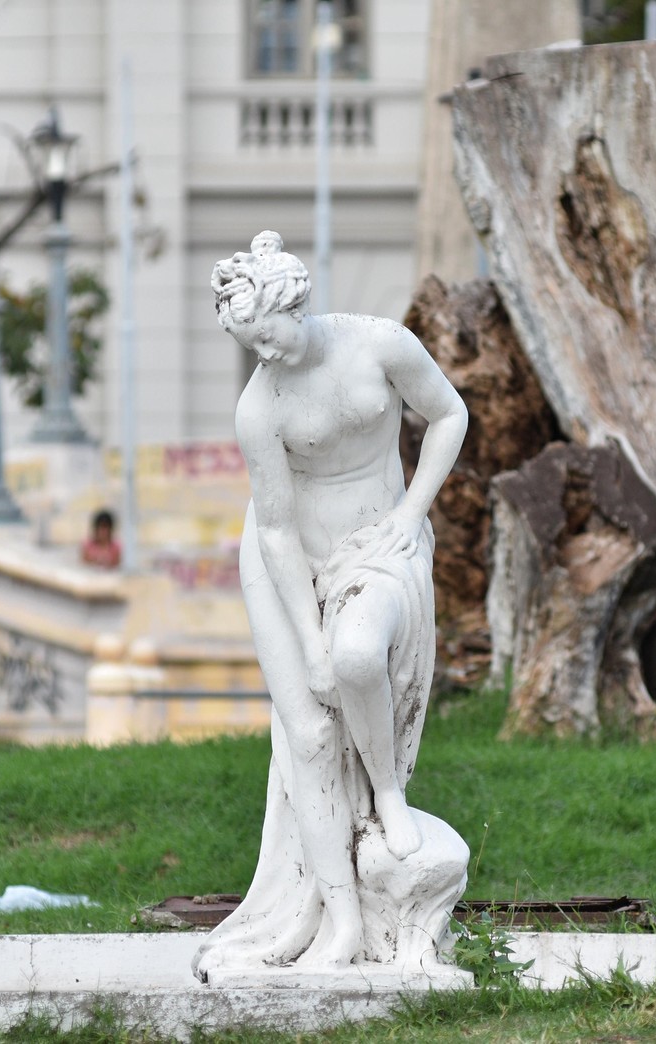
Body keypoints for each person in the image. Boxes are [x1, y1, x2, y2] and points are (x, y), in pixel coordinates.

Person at [193, 231, 468, 976]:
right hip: (282, 558)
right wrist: (305, 644)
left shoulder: (379, 346)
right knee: (309, 734)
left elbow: (449, 416)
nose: (264, 355)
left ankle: (387, 793)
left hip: (376, 543)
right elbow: (276, 530)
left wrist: (410, 515)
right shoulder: (260, 407)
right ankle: (339, 922)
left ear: (293, 305)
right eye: (249, 346)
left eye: (268, 336)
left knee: (356, 657)